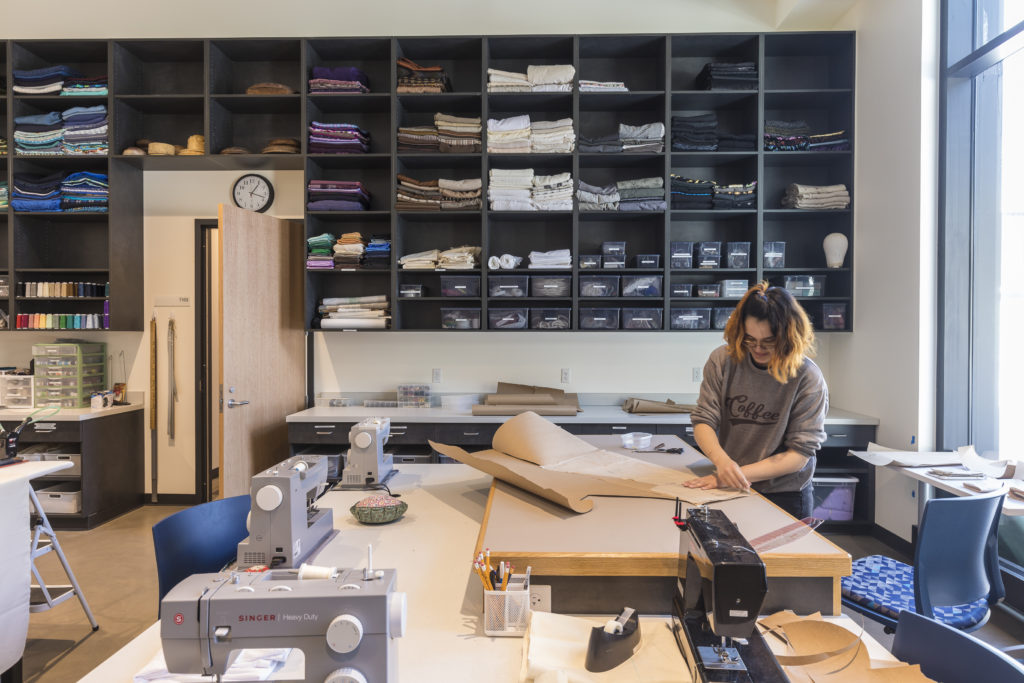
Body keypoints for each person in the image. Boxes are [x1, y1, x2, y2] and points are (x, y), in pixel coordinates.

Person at [684, 281, 828, 519]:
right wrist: (723, 463)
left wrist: (730, 474)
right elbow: (703, 420)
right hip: (730, 484)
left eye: (769, 341)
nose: (758, 348)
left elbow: (798, 455)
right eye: (750, 339)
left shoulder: (807, 377)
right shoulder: (723, 360)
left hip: (785, 494)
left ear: (788, 337)